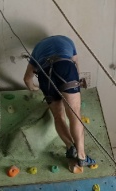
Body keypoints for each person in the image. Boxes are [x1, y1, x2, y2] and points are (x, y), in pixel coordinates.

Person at [23, 35, 95, 167]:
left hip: (45, 75)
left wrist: (35, 88)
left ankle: (70, 147)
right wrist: (73, 87)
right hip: (65, 67)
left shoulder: (37, 49)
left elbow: (27, 79)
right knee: (74, 114)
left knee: (58, 116)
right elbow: (75, 65)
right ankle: (81, 156)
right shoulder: (67, 40)